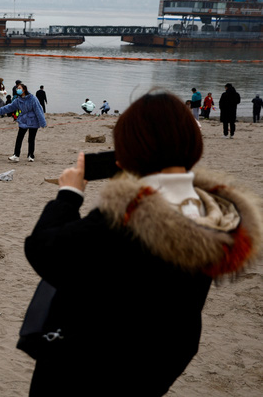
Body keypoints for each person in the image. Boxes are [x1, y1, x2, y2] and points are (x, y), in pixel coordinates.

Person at [23, 91, 262, 396]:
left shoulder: (129, 217)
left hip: (87, 371)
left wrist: (69, 194)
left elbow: (44, 250)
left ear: (131, 149)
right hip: (156, 369)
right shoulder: (214, 215)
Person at [0, 83, 46, 162]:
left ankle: (31, 155)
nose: (18, 90)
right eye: (17, 88)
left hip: (33, 121)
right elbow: (9, 107)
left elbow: (38, 110)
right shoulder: (18, 100)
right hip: (23, 120)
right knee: (19, 138)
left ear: (24, 89)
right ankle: (16, 155)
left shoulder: (33, 98)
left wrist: (42, 122)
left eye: (19, 88)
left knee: (31, 139)